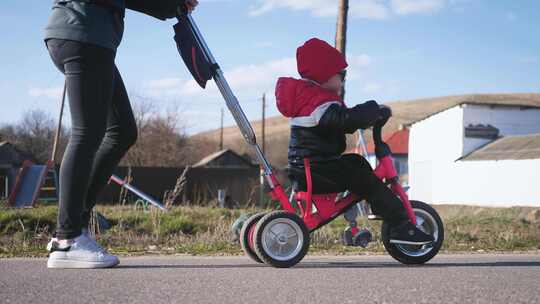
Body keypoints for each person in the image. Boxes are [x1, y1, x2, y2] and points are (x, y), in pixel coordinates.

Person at [45, 0, 198, 269]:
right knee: (86, 133)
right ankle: (67, 238)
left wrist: (172, 6)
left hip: (87, 37)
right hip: (83, 35)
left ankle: (75, 224)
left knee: (122, 131)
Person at [275, 38, 434, 245]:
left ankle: (373, 203)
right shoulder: (319, 101)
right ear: (325, 74)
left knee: (357, 163)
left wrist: (366, 118)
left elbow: (340, 120)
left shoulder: (310, 99)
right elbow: (344, 120)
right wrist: (372, 109)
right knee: (365, 179)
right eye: (341, 75)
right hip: (317, 170)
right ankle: (402, 227)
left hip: (312, 167)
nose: (343, 81)